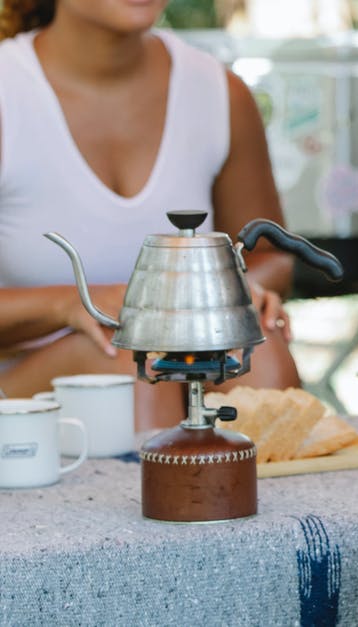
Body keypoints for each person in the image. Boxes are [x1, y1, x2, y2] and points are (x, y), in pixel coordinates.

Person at [0, 0, 301, 432]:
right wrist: (73, 304)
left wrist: (234, 292)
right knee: (132, 363)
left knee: (256, 350)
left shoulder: (218, 91)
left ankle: (287, 500)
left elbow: (272, 256)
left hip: (178, 366)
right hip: (23, 394)